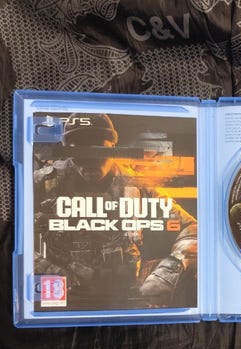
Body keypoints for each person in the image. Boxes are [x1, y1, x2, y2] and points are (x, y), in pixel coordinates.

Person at [34, 113, 197, 309]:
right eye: (80, 153)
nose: (89, 162)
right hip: (61, 292)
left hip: (125, 294)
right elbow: (11, 232)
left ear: (113, 147)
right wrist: (45, 268)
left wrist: (168, 272)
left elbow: (192, 228)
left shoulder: (136, 184)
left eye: (98, 152)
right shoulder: (44, 182)